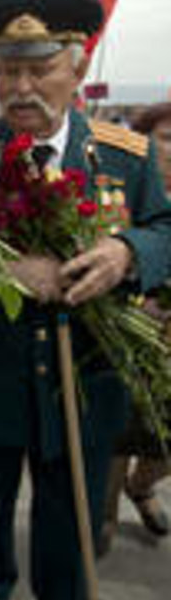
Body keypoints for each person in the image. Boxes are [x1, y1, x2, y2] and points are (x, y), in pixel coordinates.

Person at [0, 0, 171, 600]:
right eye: (9, 69)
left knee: (69, 524)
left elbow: (165, 227)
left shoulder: (125, 154)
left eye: (41, 68)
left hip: (84, 384)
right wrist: (0, 269)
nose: (23, 87)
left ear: (79, 65)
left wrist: (126, 252)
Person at [99, 102, 171, 554]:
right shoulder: (120, 194)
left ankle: (142, 486)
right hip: (125, 332)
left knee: (163, 441)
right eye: (167, 138)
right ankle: (102, 516)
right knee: (119, 430)